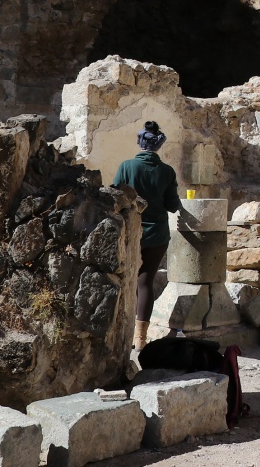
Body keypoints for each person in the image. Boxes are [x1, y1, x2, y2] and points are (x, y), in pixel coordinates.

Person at [113, 121, 180, 350]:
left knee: (124, 281)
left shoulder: (126, 166)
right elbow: (173, 206)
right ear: (159, 145)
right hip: (158, 235)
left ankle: (121, 332)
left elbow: (116, 196)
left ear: (139, 142)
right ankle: (140, 339)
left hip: (131, 234)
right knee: (145, 282)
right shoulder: (167, 172)